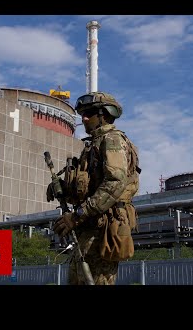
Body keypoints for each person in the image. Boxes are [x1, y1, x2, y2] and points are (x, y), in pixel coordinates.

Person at [48, 92, 141, 285]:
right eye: (82, 114)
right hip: (88, 228)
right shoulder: (93, 145)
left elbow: (115, 182)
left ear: (104, 115)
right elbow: (89, 186)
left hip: (103, 230)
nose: (84, 118)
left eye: (89, 113)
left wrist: (77, 216)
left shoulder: (112, 140)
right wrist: (64, 187)